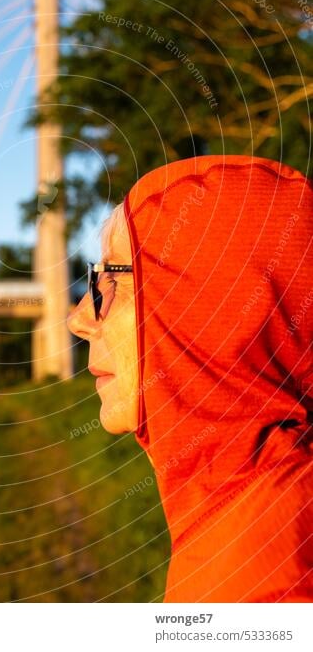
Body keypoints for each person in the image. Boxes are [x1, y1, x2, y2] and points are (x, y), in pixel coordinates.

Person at [67, 154, 312, 603]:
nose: (80, 319)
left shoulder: (275, 591)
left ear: (221, 310)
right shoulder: (243, 515)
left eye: (114, 280)